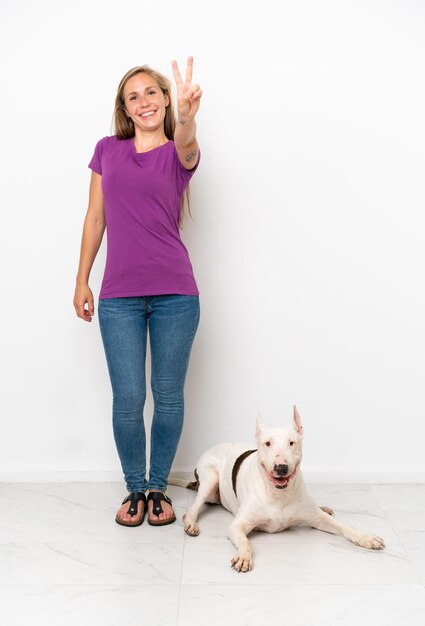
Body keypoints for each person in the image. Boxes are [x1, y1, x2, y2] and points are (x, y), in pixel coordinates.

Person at [73, 57, 202, 527]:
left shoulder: (177, 153)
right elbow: (95, 218)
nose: (144, 102)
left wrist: (187, 115)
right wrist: (82, 277)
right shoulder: (107, 150)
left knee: (167, 395)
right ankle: (134, 488)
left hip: (175, 294)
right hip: (119, 297)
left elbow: (186, 140)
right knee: (127, 398)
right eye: (134, 96)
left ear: (165, 100)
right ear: (125, 109)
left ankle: (157, 488)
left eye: (152, 93)